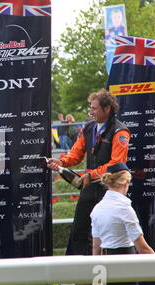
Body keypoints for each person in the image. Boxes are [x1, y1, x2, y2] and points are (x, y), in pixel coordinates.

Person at [47, 89, 130, 260]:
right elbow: (76, 154)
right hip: (88, 186)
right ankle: (78, 281)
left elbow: (116, 164)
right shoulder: (89, 128)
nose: (90, 112)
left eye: (94, 108)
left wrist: (91, 175)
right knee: (79, 230)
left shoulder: (120, 131)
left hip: (111, 190)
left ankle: (113, 279)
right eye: (90, 108)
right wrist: (61, 162)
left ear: (107, 109)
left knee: (109, 234)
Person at [90, 162, 155, 285]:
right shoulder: (124, 209)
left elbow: (96, 247)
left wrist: (97, 279)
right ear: (126, 182)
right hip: (125, 266)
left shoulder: (97, 209)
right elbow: (142, 248)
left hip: (109, 267)